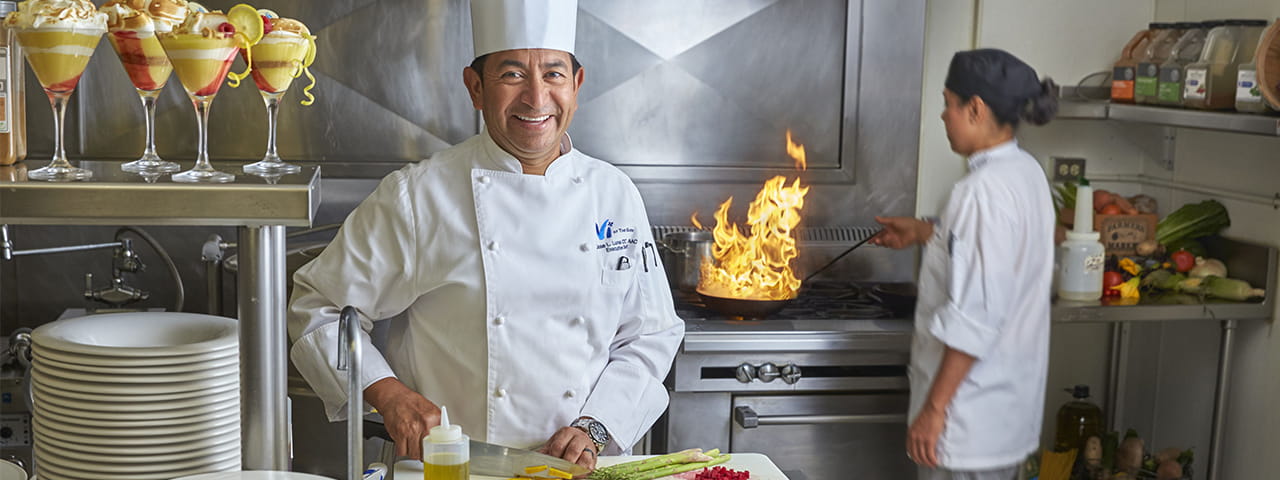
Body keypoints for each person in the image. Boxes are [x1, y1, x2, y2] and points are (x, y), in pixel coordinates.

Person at [286, 0, 683, 471]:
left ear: (576, 85)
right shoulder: (419, 196)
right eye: (512, 75)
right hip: (451, 468)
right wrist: (388, 393)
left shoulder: (614, 195)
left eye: (553, 74)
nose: (536, 99)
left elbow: (650, 333)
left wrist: (597, 427)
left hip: (579, 469)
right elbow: (319, 307)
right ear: (475, 88)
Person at [870, 48, 1058, 480]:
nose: (942, 115)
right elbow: (995, 264)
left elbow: (976, 316)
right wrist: (924, 234)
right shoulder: (1026, 173)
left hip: (966, 424)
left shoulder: (981, 192)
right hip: (1002, 418)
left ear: (975, 108)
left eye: (947, 103)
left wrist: (934, 411)